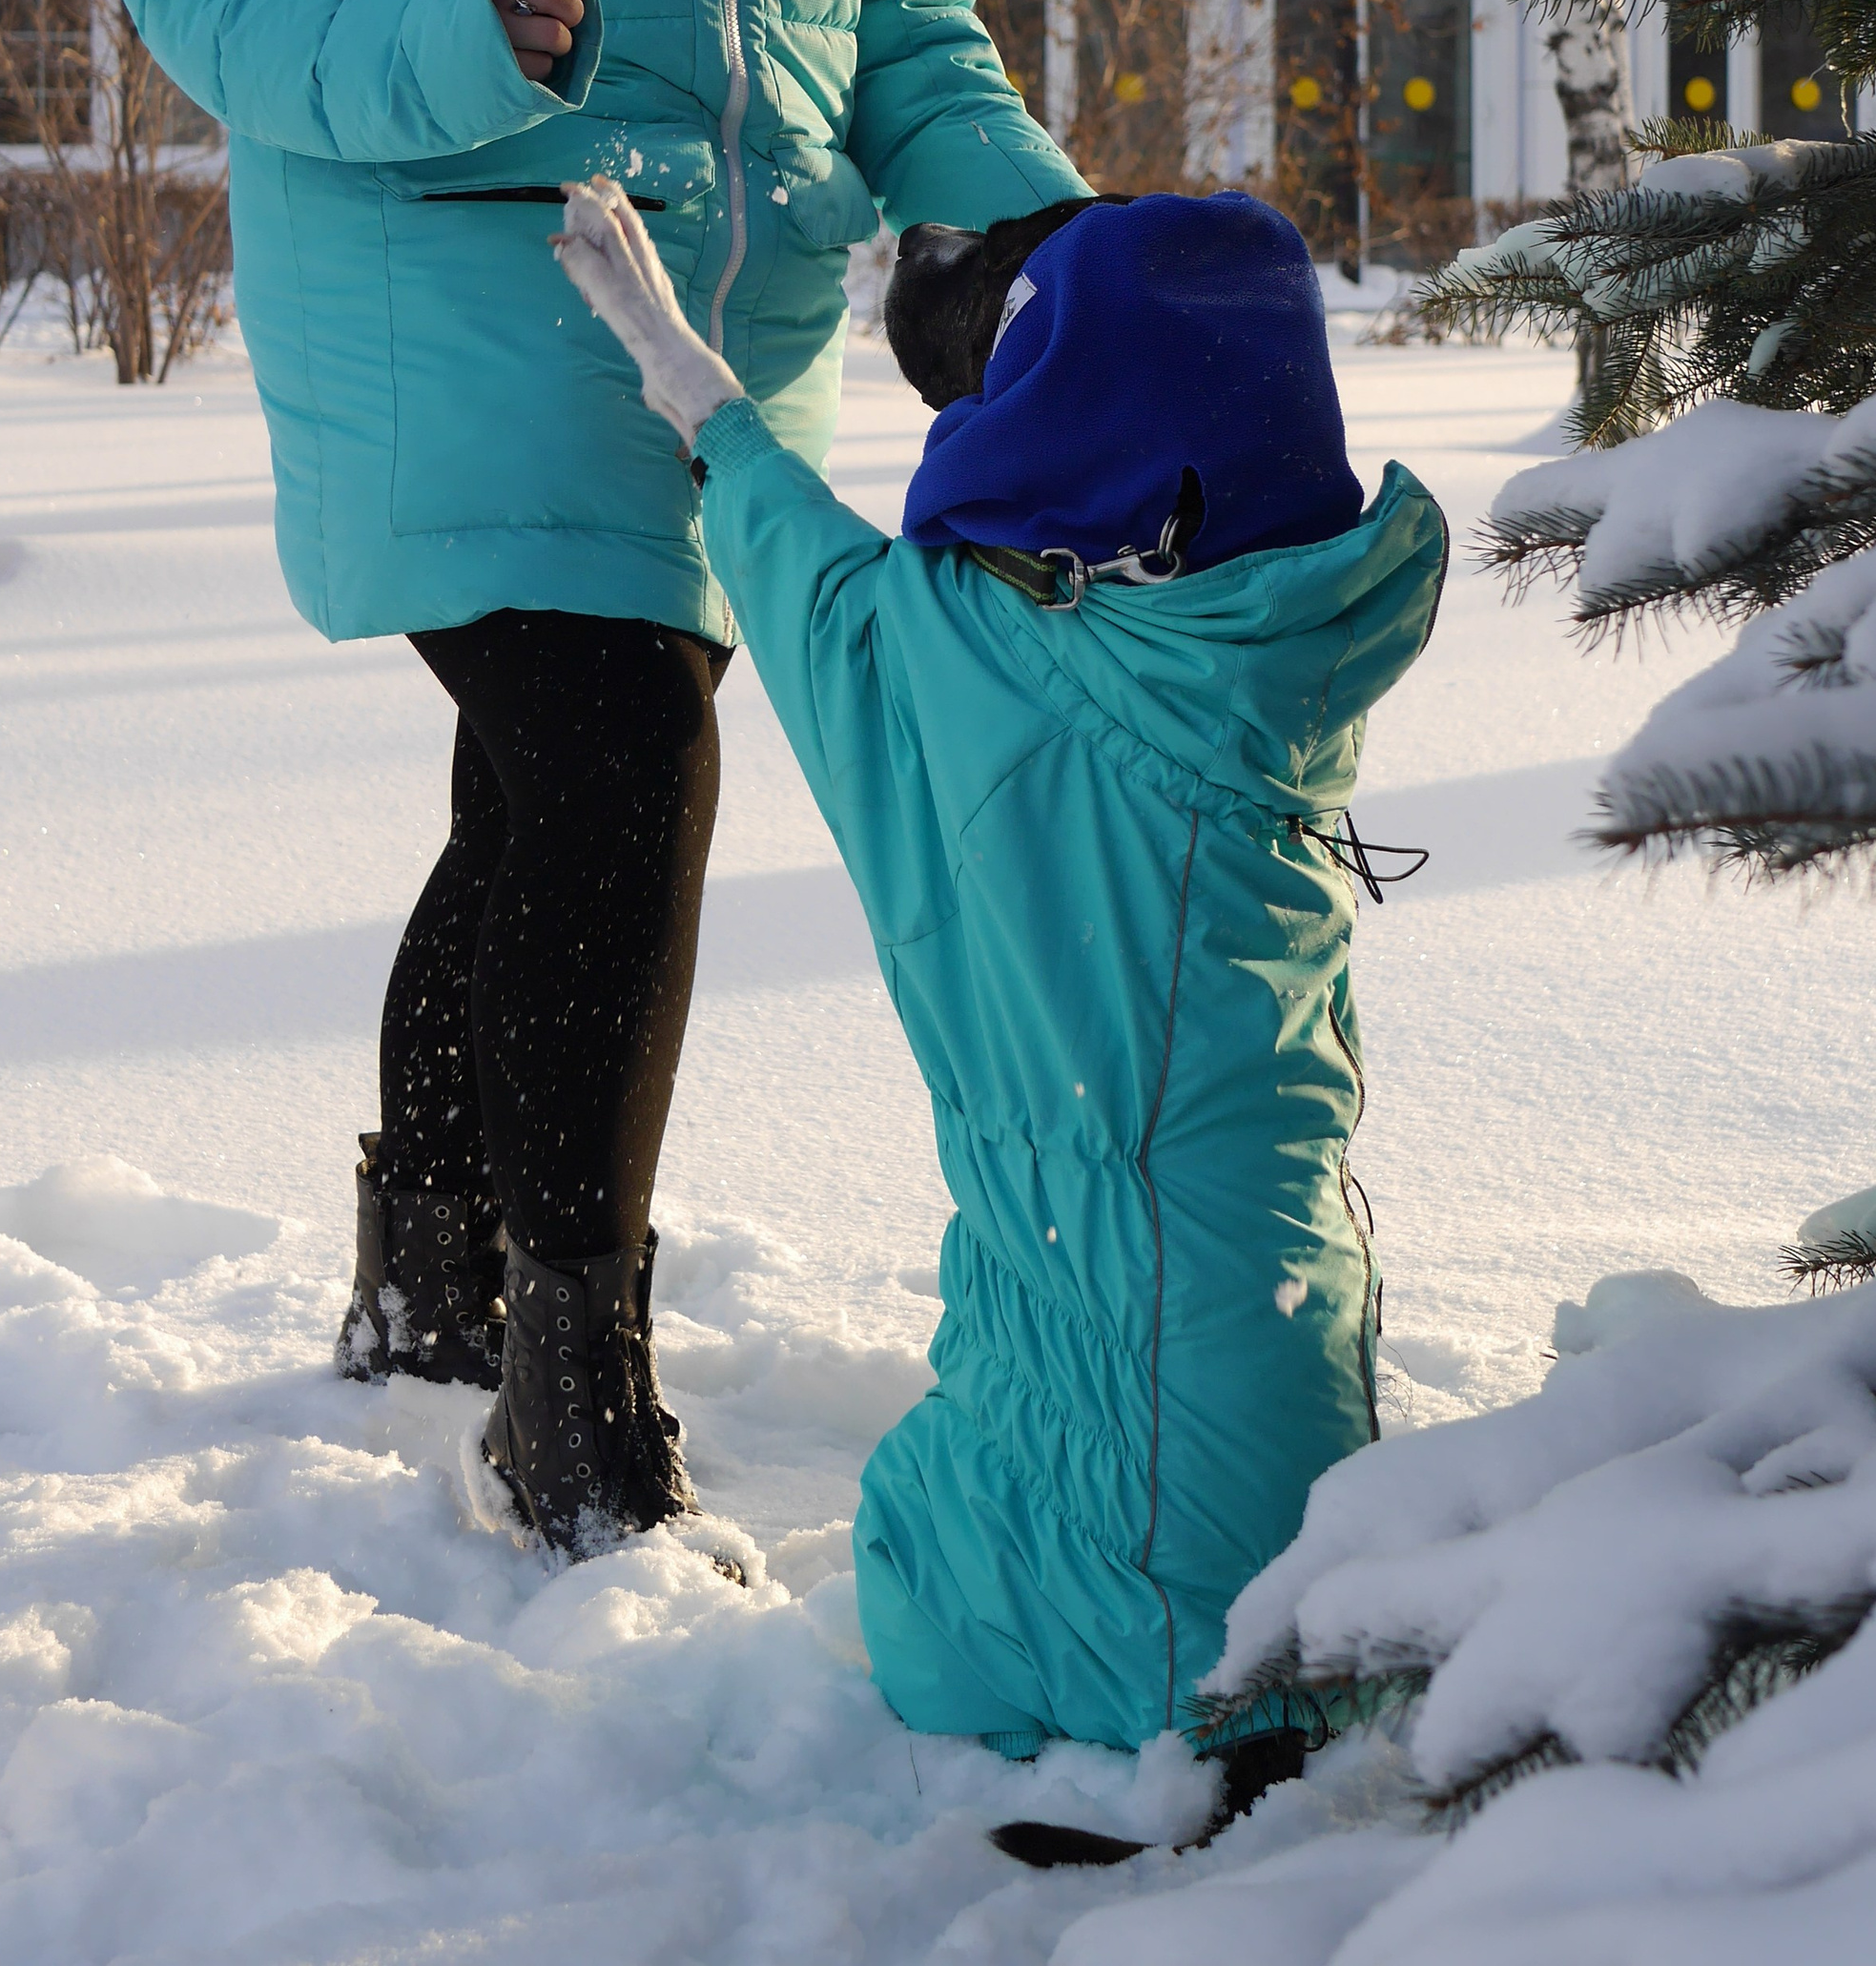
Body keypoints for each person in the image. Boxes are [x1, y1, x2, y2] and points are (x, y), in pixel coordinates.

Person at [110, 0, 1085, 1551]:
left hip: (710, 357)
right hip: (451, 297)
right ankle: (569, 1392)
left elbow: (909, 28)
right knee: (615, 753)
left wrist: (1006, 221)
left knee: (541, 798)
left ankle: (427, 1269)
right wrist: (456, 27)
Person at [551, 174, 1447, 1786]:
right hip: (1280, 1376)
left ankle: (1169, 1717)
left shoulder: (977, 661)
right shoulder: (1276, 636)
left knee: (944, 1599)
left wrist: (684, 372)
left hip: (1148, 1467)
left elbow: (814, 587)